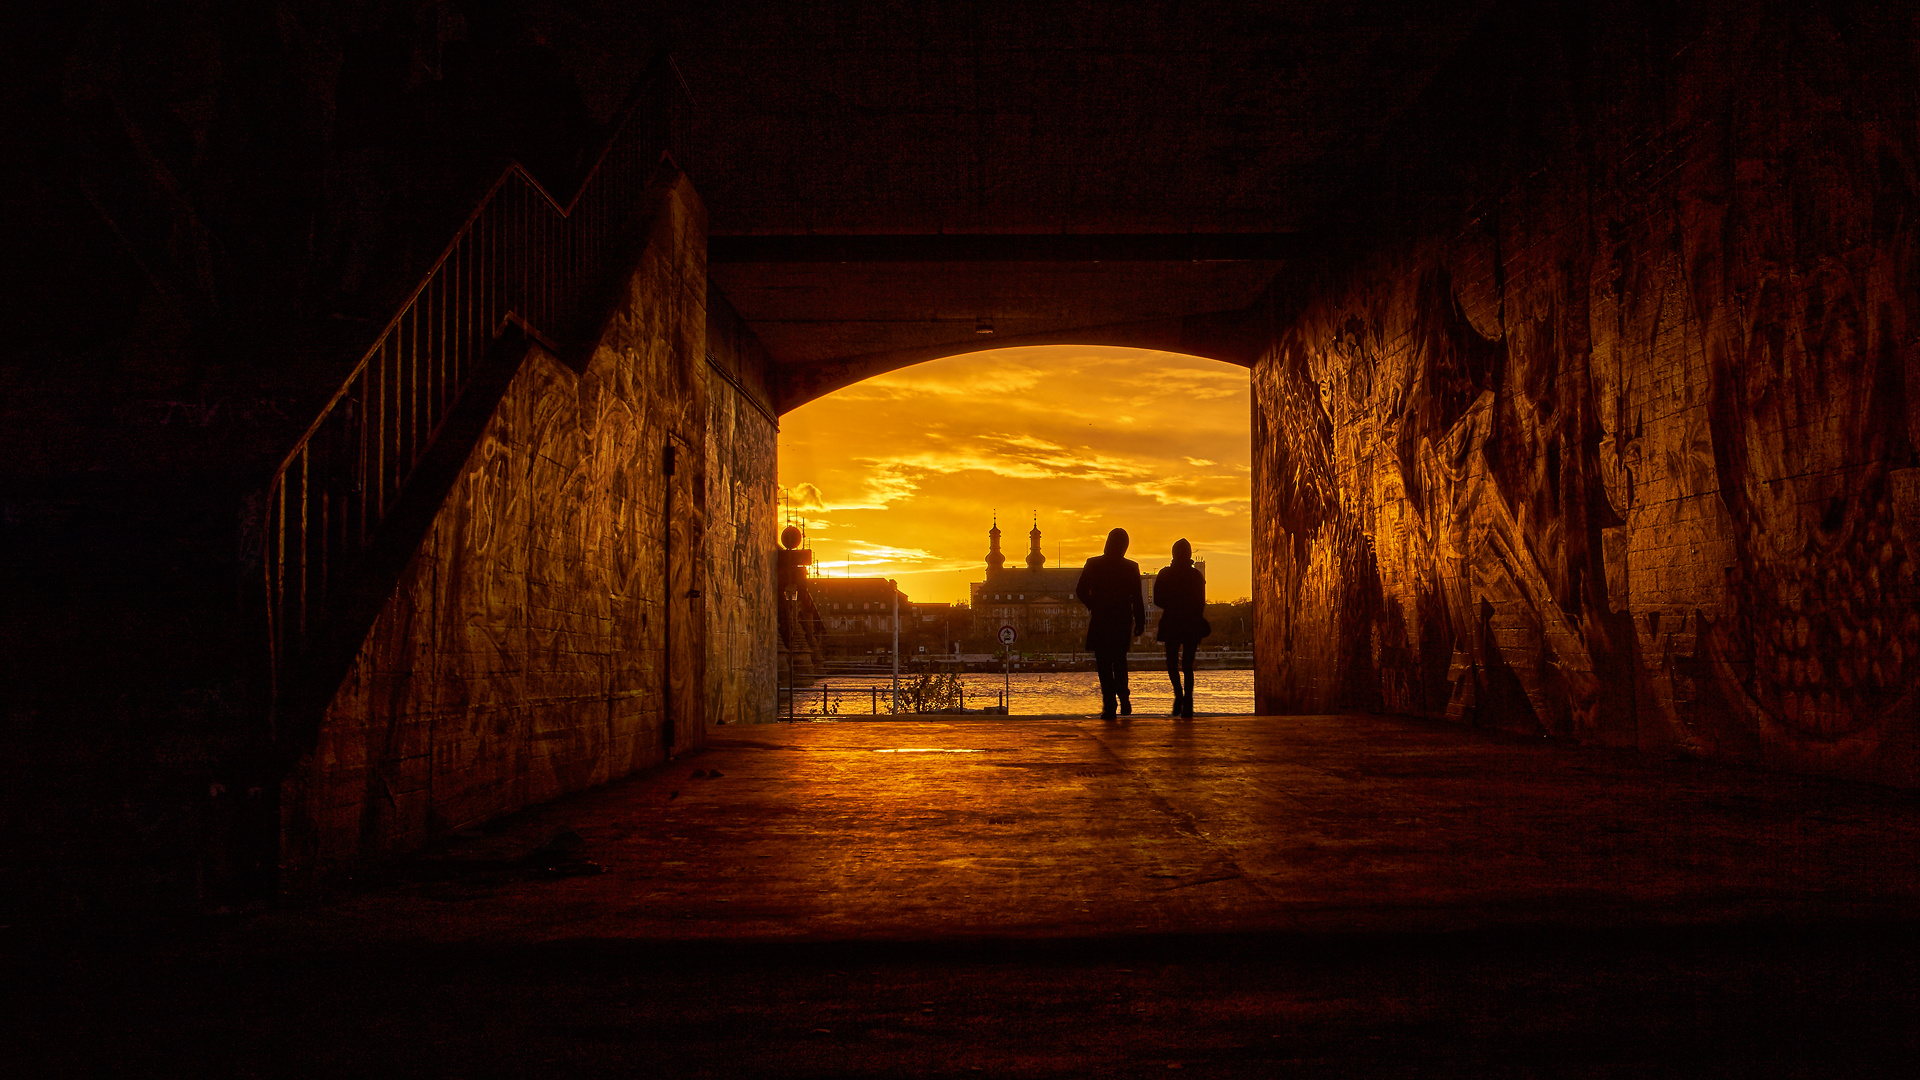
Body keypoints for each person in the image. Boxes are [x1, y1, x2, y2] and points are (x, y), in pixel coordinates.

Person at [1076, 528, 1146, 719]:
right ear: (1125, 546)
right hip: (1122, 621)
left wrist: (1094, 605)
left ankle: (1109, 704)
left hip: (1101, 620)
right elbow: (1137, 598)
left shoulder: (1094, 564)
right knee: (1120, 662)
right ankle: (1123, 697)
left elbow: (1080, 590)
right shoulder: (1131, 567)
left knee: (1104, 665)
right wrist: (1140, 621)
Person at [1153, 538, 1209, 719]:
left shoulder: (1165, 574)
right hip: (1191, 623)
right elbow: (1201, 601)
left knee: (1171, 662)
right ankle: (1188, 702)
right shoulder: (1196, 576)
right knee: (1187, 665)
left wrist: (1174, 605)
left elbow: (1157, 600)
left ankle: (1178, 695)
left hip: (1171, 622)